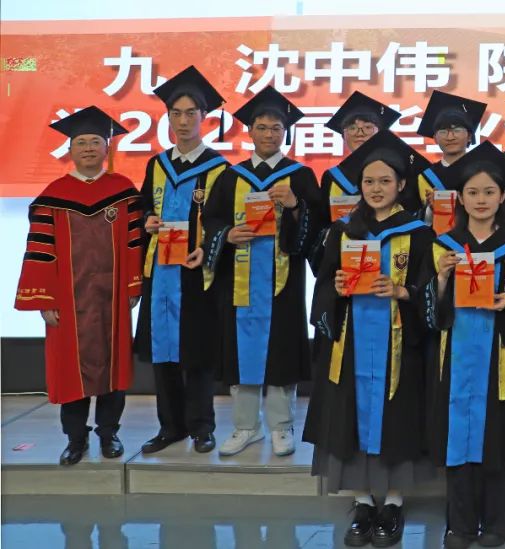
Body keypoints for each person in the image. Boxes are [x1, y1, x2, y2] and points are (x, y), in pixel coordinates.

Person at [305, 134, 435, 548]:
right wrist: (336, 289)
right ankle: (362, 502)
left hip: (400, 346)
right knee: (349, 417)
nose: (376, 189)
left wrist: (403, 292)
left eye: (385, 181)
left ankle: (393, 502)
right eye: (368, 182)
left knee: (397, 418)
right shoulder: (343, 231)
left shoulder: (419, 234)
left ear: (401, 185)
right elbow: (323, 286)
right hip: (350, 345)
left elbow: (430, 292)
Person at [15, 107, 142, 465]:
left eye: (95, 141)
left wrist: (133, 286)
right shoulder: (53, 197)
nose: (88, 148)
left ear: (107, 148)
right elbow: (40, 251)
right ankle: (75, 438)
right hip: (68, 301)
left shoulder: (123, 192)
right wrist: (45, 299)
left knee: (114, 366)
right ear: (70, 149)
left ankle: (109, 433)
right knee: (71, 369)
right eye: (81, 142)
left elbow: (135, 242)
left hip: (112, 298)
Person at [201, 87, 320, 458]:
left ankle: (282, 427)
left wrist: (296, 206)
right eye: (262, 127)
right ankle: (246, 426)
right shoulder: (230, 177)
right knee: (241, 354)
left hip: (283, 282)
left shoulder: (300, 176)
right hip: (239, 281)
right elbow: (210, 220)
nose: (269, 134)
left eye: (276, 128)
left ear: (285, 132)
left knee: (281, 353)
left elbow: (318, 228)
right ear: (249, 130)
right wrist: (227, 234)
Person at [425, 142, 505, 549]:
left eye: (489, 192)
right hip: (455, 358)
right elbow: (426, 309)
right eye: (473, 192)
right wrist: (439, 279)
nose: (481, 199)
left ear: (503, 196)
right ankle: (459, 524)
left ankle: (496, 523)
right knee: (458, 440)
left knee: (496, 440)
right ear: (460, 197)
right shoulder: (443, 246)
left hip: (498, 359)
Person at [136, 66, 229, 455]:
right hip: (161, 272)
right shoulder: (157, 165)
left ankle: (202, 426)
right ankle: (169, 426)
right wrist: (147, 220)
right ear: (168, 118)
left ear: (204, 117)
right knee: (164, 352)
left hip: (195, 271)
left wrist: (207, 247)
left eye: (191, 113)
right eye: (176, 113)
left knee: (197, 353)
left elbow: (223, 219)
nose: (184, 121)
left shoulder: (219, 168)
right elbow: (143, 207)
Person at [319, 90, 402, 227]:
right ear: (343, 136)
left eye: (368, 127)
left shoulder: (398, 173)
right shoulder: (332, 177)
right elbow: (322, 221)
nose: (359, 133)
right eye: (352, 128)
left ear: (380, 134)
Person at [415, 90, 488, 223]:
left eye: (457, 130)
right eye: (443, 131)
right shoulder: (426, 177)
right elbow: (422, 222)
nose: (450, 137)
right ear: (435, 138)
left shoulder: (484, 171)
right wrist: (431, 209)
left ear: (469, 136)